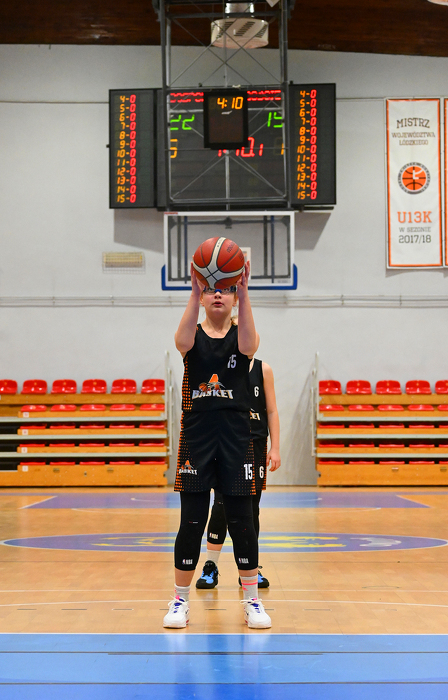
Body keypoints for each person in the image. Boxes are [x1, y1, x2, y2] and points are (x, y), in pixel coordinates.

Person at [163, 261, 272, 629]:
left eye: (224, 290)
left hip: (236, 437)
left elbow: (251, 344)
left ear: (233, 296)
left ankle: (252, 600)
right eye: (211, 290)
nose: (218, 295)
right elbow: (180, 342)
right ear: (203, 297)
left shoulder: (241, 337)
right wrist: (194, 292)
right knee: (191, 521)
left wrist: (245, 292)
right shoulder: (192, 337)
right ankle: (180, 600)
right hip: (197, 436)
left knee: (243, 522)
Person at [196, 358, 281, 590]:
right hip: (227, 443)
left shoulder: (263, 369)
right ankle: (211, 565)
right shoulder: (221, 366)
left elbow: (272, 410)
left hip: (255, 443)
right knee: (221, 504)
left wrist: (275, 447)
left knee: (252, 508)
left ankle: (250, 569)